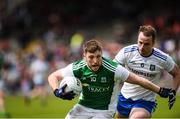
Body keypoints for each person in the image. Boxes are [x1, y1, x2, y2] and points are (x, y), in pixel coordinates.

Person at [48, 39, 173, 119]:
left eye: (98, 57)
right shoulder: (78, 67)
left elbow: (138, 80)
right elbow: (53, 76)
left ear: (102, 54)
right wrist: (56, 91)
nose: (95, 61)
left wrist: (160, 90)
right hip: (83, 107)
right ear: (84, 56)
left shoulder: (113, 69)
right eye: (91, 57)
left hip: (104, 111)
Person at [114, 25, 180, 118]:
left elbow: (177, 73)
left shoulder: (162, 58)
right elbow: (112, 69)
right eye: (140, 42)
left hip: (145, 102)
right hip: (124, 97)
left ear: (153, 43)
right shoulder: (126, 52)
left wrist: (173, 92)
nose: (141, 47)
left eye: (146, 44)